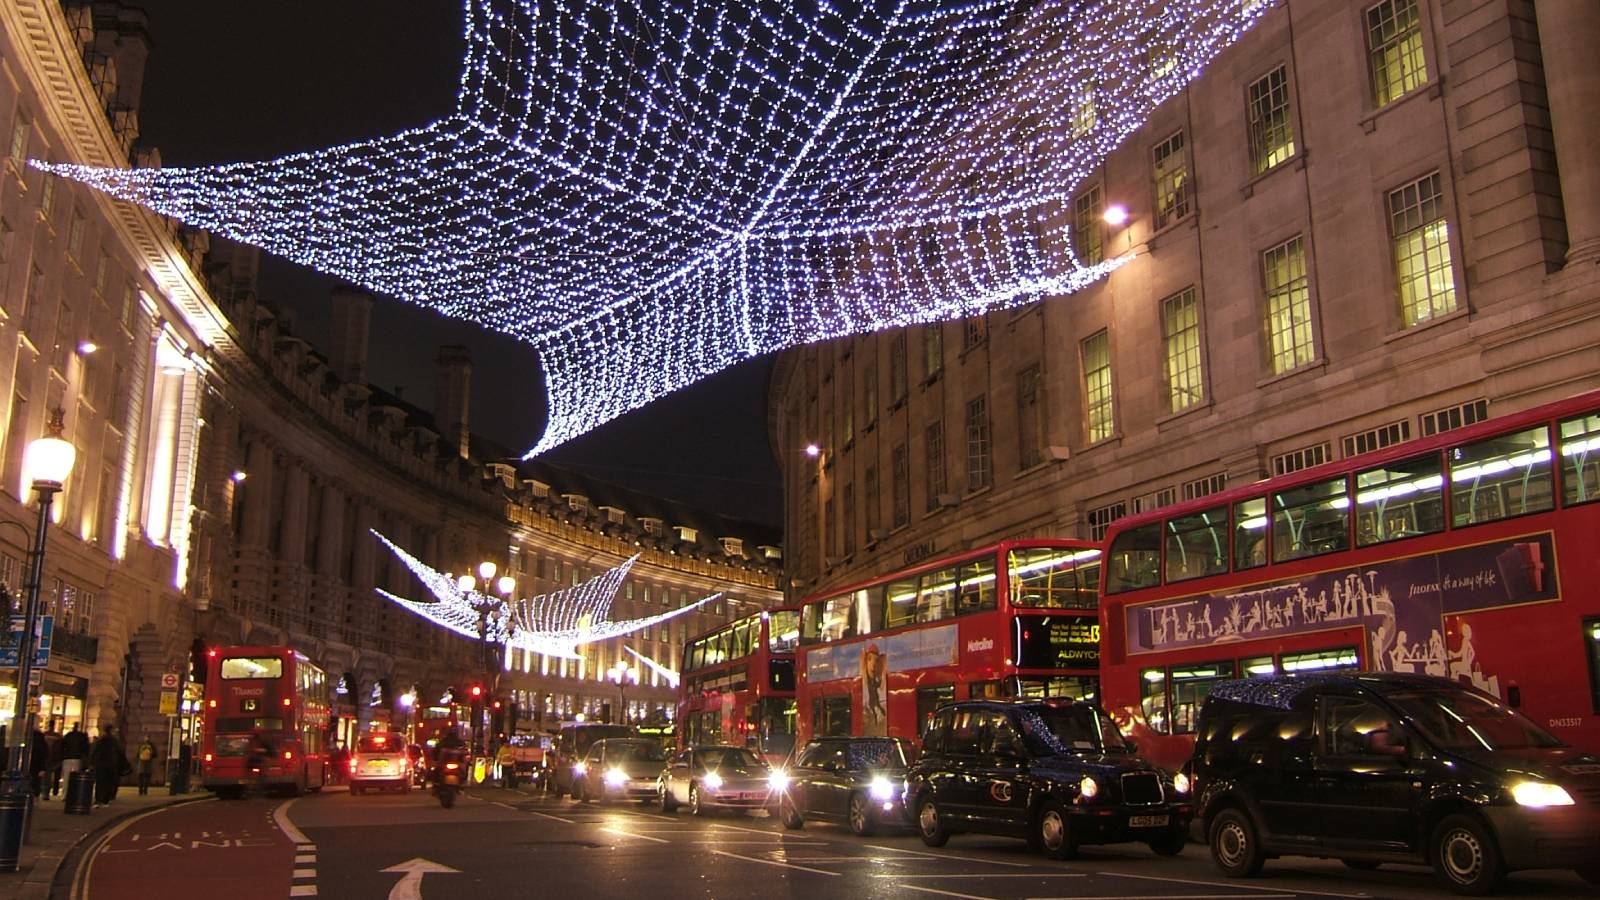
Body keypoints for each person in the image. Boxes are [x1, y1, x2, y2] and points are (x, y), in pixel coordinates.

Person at [89, 724, 129, 805]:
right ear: (111, 731)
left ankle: (98, 798)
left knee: (100, 782)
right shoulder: (114, 741)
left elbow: (94, 752)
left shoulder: (100, 740)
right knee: (108, 782)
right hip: (110, 764)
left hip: (101, 764)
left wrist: (92, 762)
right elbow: (120, 753)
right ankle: (105, 799)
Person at [59, 723, 89, 790]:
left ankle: (65, 793)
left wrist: (63, 755)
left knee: (66, 776)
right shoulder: (81, 736)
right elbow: (85, 748)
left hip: (67, 757)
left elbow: (62, 746)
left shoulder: (68, 735)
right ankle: (73, 792)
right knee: (75, 777)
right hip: (77, 758)